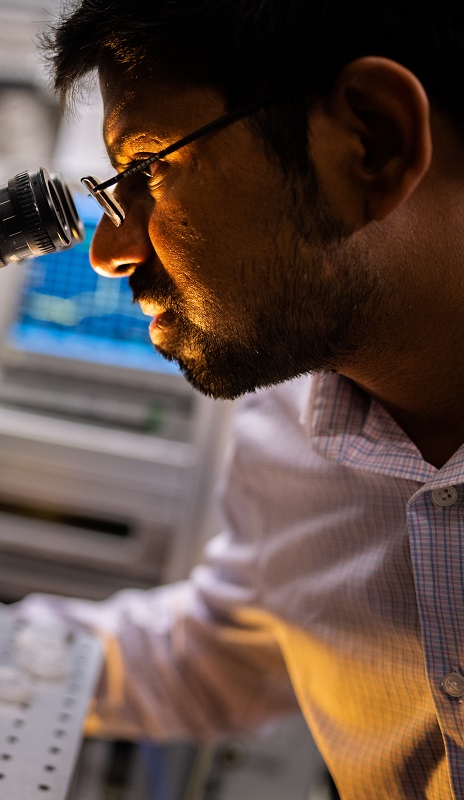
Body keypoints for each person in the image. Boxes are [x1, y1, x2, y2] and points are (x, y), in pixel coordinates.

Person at [31, 1, 464, 797]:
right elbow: (212, 656)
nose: (110, 252)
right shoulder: (287, 431)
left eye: (147, 168)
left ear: (374, 140)